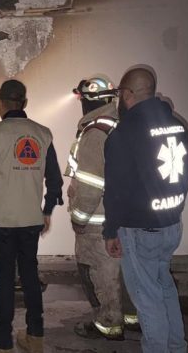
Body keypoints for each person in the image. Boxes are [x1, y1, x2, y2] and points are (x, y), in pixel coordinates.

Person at [0, 79, 64, 353]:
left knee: (4, 281)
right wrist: (47, 210)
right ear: (24, 103)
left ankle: (2, 344)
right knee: (30, 275)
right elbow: (55, 180)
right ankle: (35, 337)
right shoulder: (43, 134)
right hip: (31, 221)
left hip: (2, 222)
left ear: (1, 103)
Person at [103, 68, 188, 353]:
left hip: (141, 230)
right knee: (164, 288)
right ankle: (176, 347)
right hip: (171, 224)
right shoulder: (177, 125)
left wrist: (110, 230)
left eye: (120, 94)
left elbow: (115, 189)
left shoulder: (123, 134)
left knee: (147, 299)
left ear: (127, 94)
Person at [64, 76, 138, 341]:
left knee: (99, 271)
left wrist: (79, 218)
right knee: (125, 271)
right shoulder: (122, 124)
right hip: (125, 216)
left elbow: (90, 185)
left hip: (97, 221)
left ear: (87, 100)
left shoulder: (95, 133)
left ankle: (108, 323)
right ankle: (132, 317)